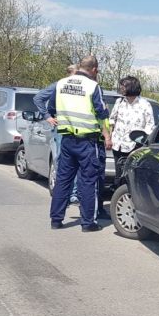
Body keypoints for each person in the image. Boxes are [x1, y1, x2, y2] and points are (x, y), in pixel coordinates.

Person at [46, 55, 112, 232]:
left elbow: (51, 108)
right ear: (94, 70)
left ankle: (56, 219)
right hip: (88, 142)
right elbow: (100, 112)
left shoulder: (61, 84)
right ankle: (88, 222)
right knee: (88, 181)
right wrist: (106, 128)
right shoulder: (93, 86)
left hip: (67, 140)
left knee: (63, 179)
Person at [34, 64, 80, 206]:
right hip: (61, 128)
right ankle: (64, 195)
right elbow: (38, 98)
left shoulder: (81, 87)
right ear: (69, 74)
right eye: (76, 74)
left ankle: (74, 195)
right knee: (62, 160)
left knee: (76, 162)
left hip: (78, 129)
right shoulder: (59, 86)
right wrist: (48, 116)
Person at [109, 76, 155, 177]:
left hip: (134, 146)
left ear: (132, 87)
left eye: (124, 86)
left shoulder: (144, 104)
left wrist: (141, 142)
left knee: (132, 175)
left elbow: (150, 125)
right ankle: (120, 191)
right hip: (117, 145)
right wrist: (109, 138)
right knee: (119, 174)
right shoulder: (119, 102)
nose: (122, 88)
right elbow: (112, 120)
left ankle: (130, 192)